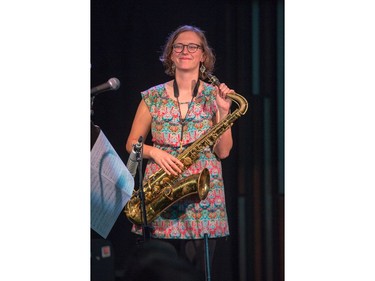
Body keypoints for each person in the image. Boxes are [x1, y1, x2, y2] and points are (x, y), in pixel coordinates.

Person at [125, 25, 235, 275]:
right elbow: (132, 143)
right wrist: (155, 153)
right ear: (171, 55)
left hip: (203, 198)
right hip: (161, 191)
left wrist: (224, 111)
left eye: (193, 46)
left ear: (203, 56)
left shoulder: (214, 96)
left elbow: (224, 151)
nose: (185, 50)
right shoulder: (152, 97)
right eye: (179, 46)